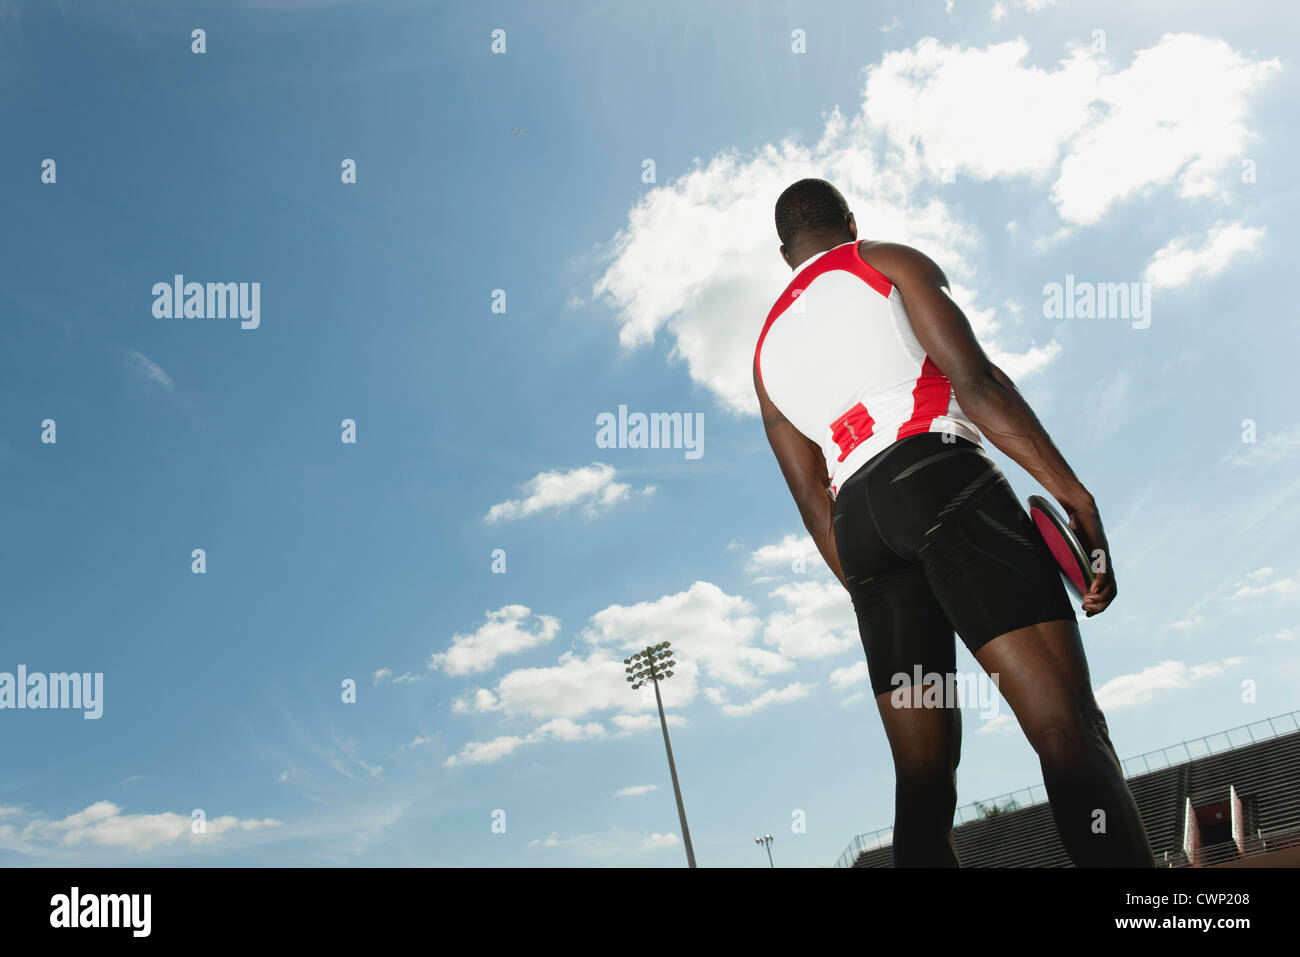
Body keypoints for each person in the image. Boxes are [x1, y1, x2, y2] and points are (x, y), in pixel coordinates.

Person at [753, 178, 1154, 867]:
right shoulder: (884, 260)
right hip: (937, 476)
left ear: (783, 250)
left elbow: (815, 508)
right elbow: (977, 385)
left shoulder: (763, 357)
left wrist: (887, 592)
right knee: (1065, 725)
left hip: (862, 531)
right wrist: (1076, 500)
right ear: (849, 220)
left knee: (923, 782)